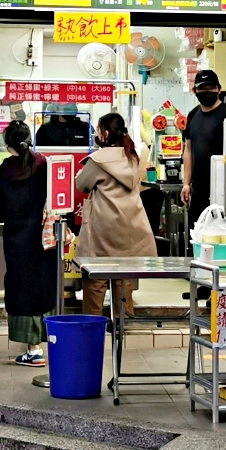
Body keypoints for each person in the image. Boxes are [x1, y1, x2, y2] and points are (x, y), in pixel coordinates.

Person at [0, 121, 55, 367]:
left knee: (21, 289)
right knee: (44, 287)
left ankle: (33, 349)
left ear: (7, 145)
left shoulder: (5, 173)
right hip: (45, 241)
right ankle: (50, 342)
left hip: (18, 242)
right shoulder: (44, 166)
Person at [75, 113, 157, 318]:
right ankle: (122, 331)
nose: (96, 133)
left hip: (103, 230)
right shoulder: (133, 157)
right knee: (124, 281)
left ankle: (92, 330)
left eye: (99, 129)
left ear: (107, 133)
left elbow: (81, 184)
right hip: (130, 228)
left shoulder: (97, 161)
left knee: (95, 282)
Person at [181, 70, 226, 230]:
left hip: (223, 191)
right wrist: (186, 183)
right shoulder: (192, 115)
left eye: (211, 88)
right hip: (198, 191)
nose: (207, 92)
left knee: (221, 238)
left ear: (219, 89)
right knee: (198, 236)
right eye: (202, 88)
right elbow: (188, 150)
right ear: (194, 91)